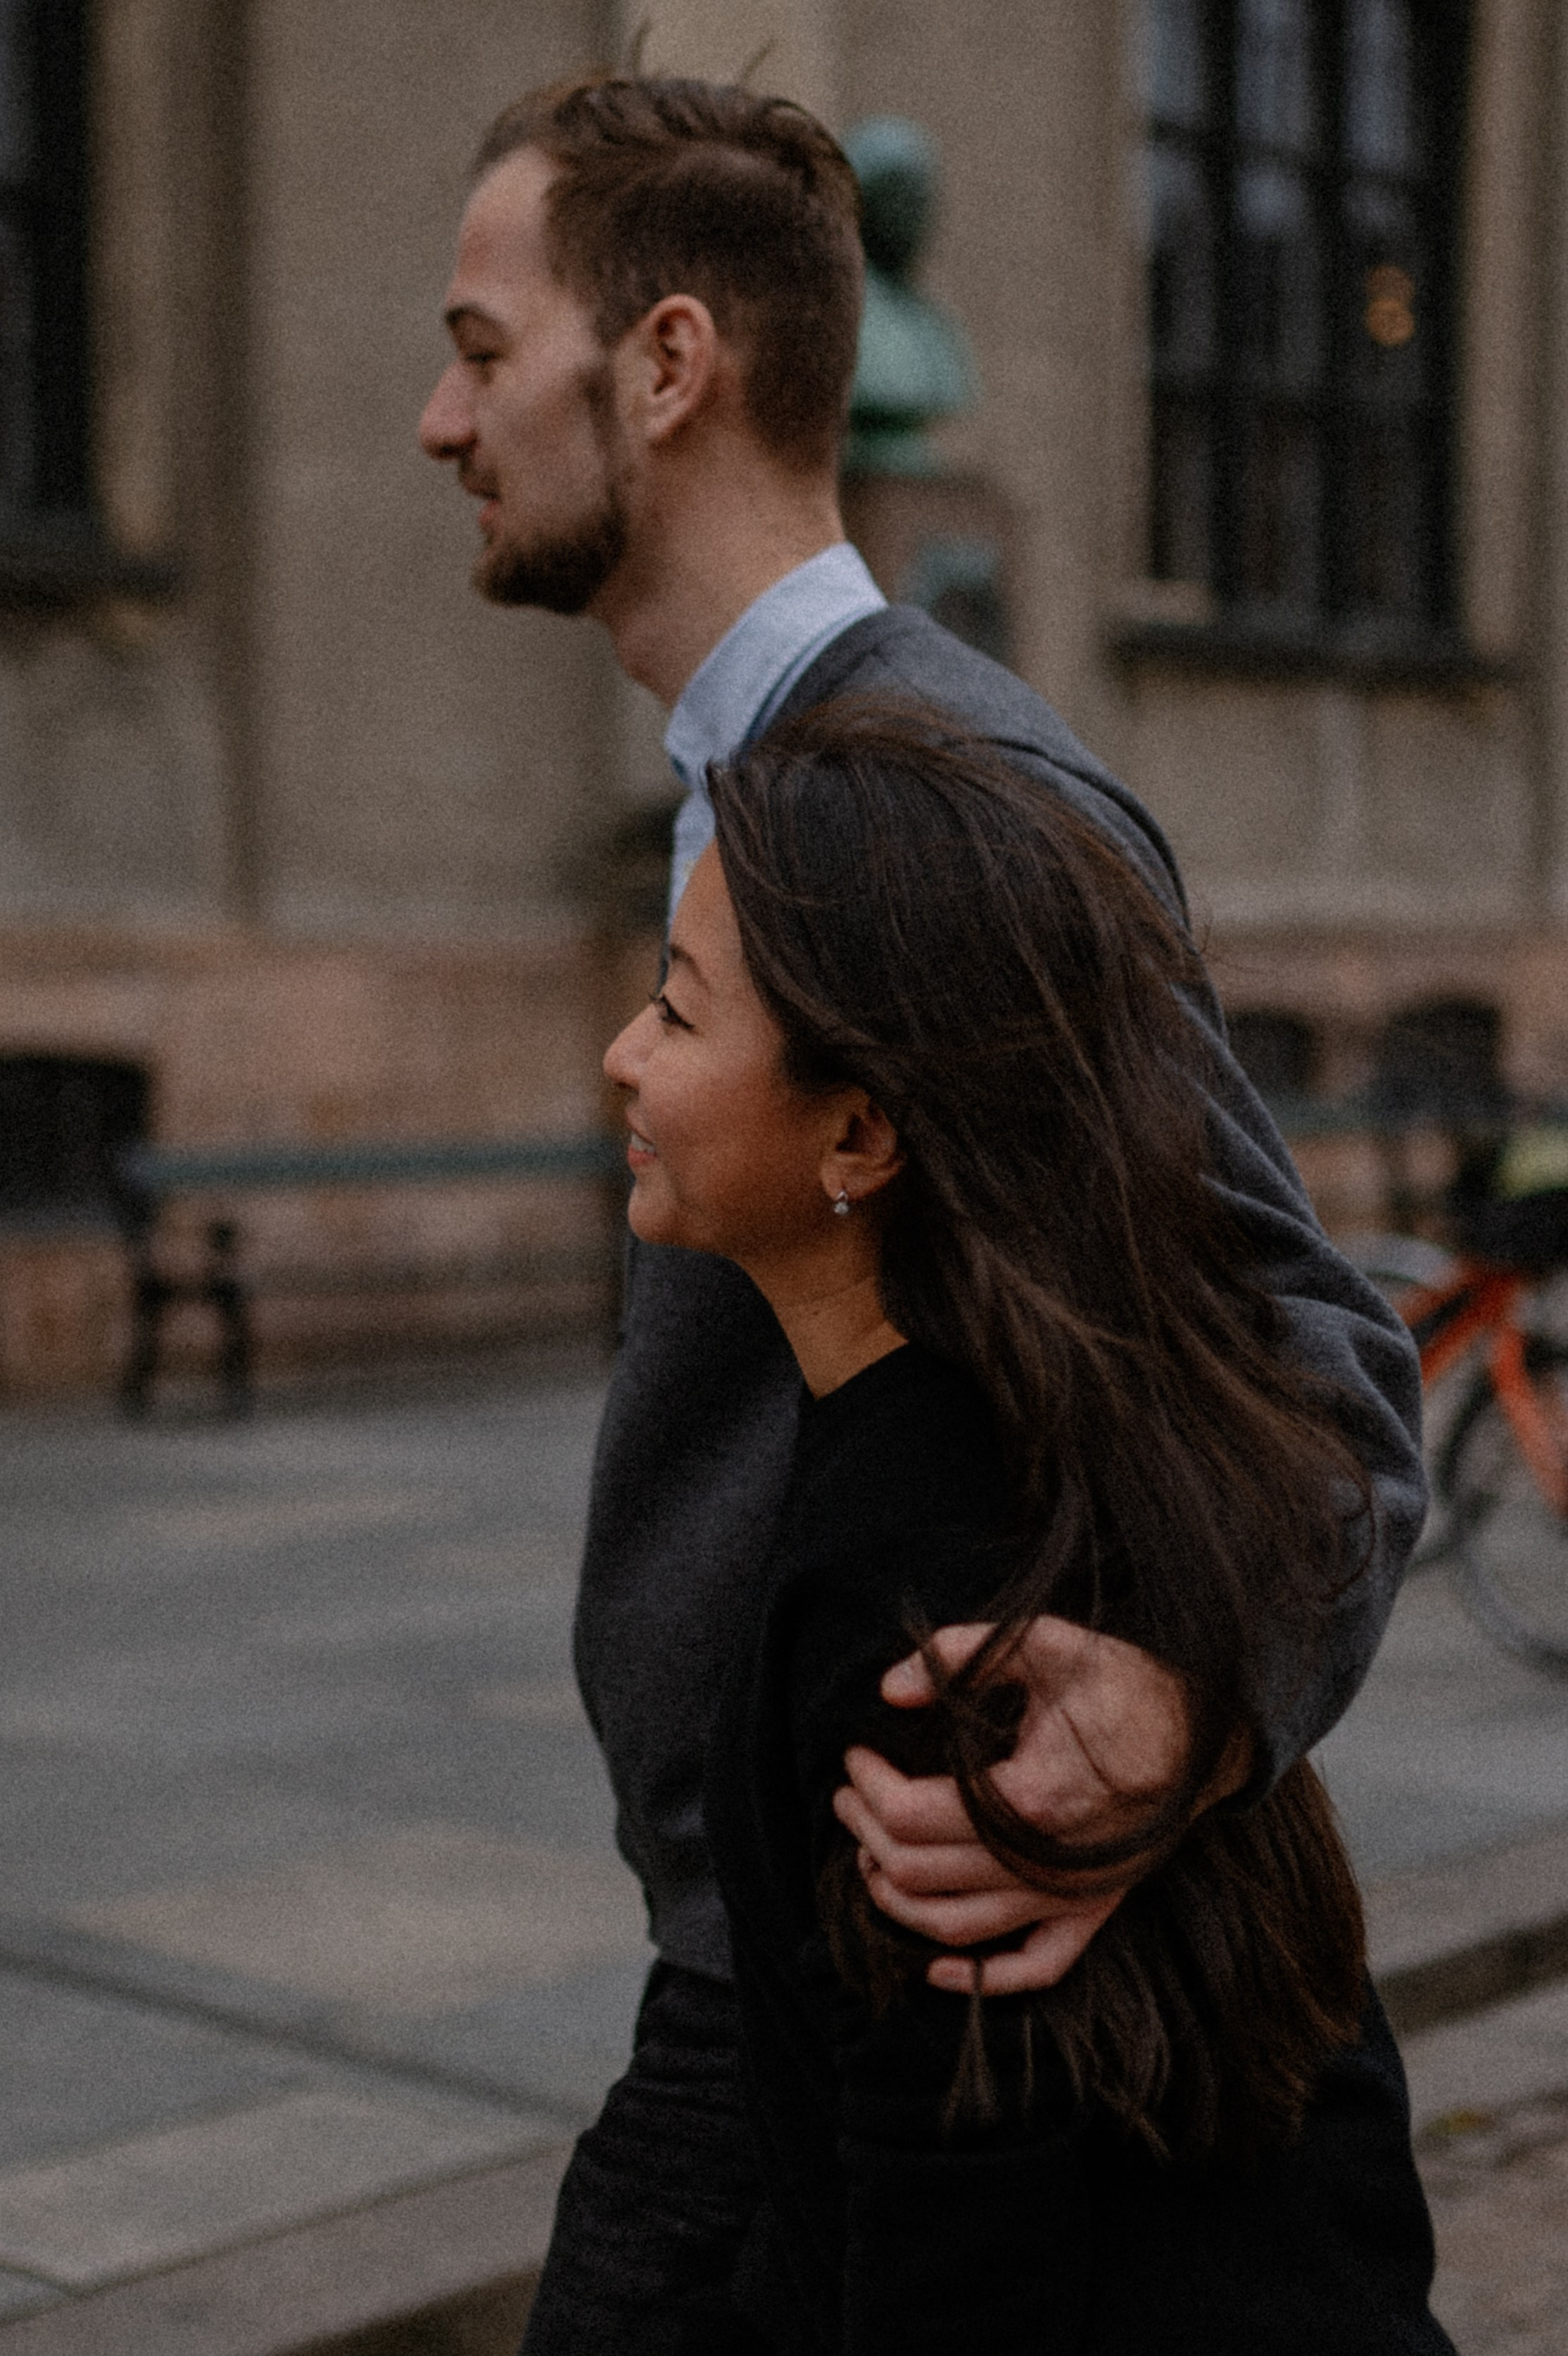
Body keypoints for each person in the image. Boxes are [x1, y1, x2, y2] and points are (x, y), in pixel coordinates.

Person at [416, 72, 1427, 2348]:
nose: (437, 420)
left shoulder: (959, 794)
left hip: (866, 1964)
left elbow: (1323, 1364)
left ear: (664, 364)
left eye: (481, 352)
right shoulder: (752, 781)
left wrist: (1191, 1710)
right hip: (764, 1961)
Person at [602, 699, 1451, 2355]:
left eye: (678, 1012)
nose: (628, 1055)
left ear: (860, 1132)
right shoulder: (1054, 1426)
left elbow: (959, 2221)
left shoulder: (924, 1591)